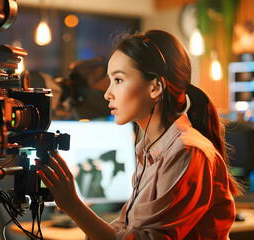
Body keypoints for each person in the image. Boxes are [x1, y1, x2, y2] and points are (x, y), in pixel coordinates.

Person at [36, 29, 239, 240]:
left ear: (155, 87)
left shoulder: (187, 151)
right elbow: (125, 232)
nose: (107, 93)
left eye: (119, 80)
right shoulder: (150, 150)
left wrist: (73, 206)